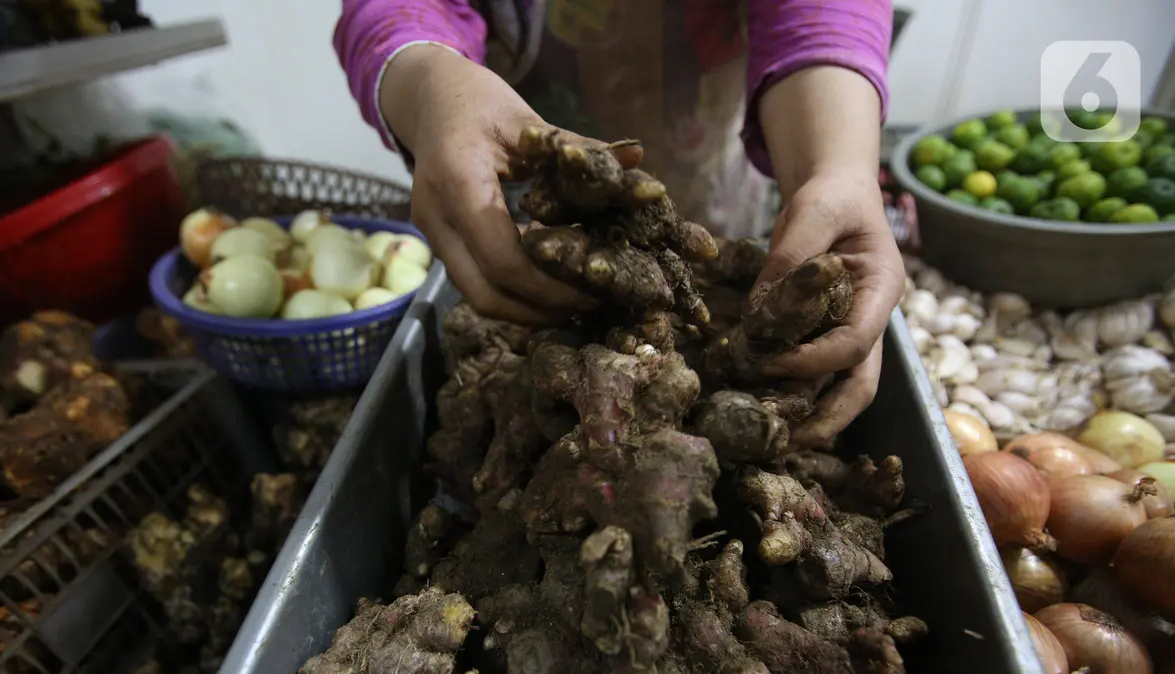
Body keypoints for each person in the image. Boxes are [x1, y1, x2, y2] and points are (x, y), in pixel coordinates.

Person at [333, 0, 905, 447]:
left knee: (718, 276)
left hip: (713, 189)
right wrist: (431, 87)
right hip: (508, 207)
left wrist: (838, 169)